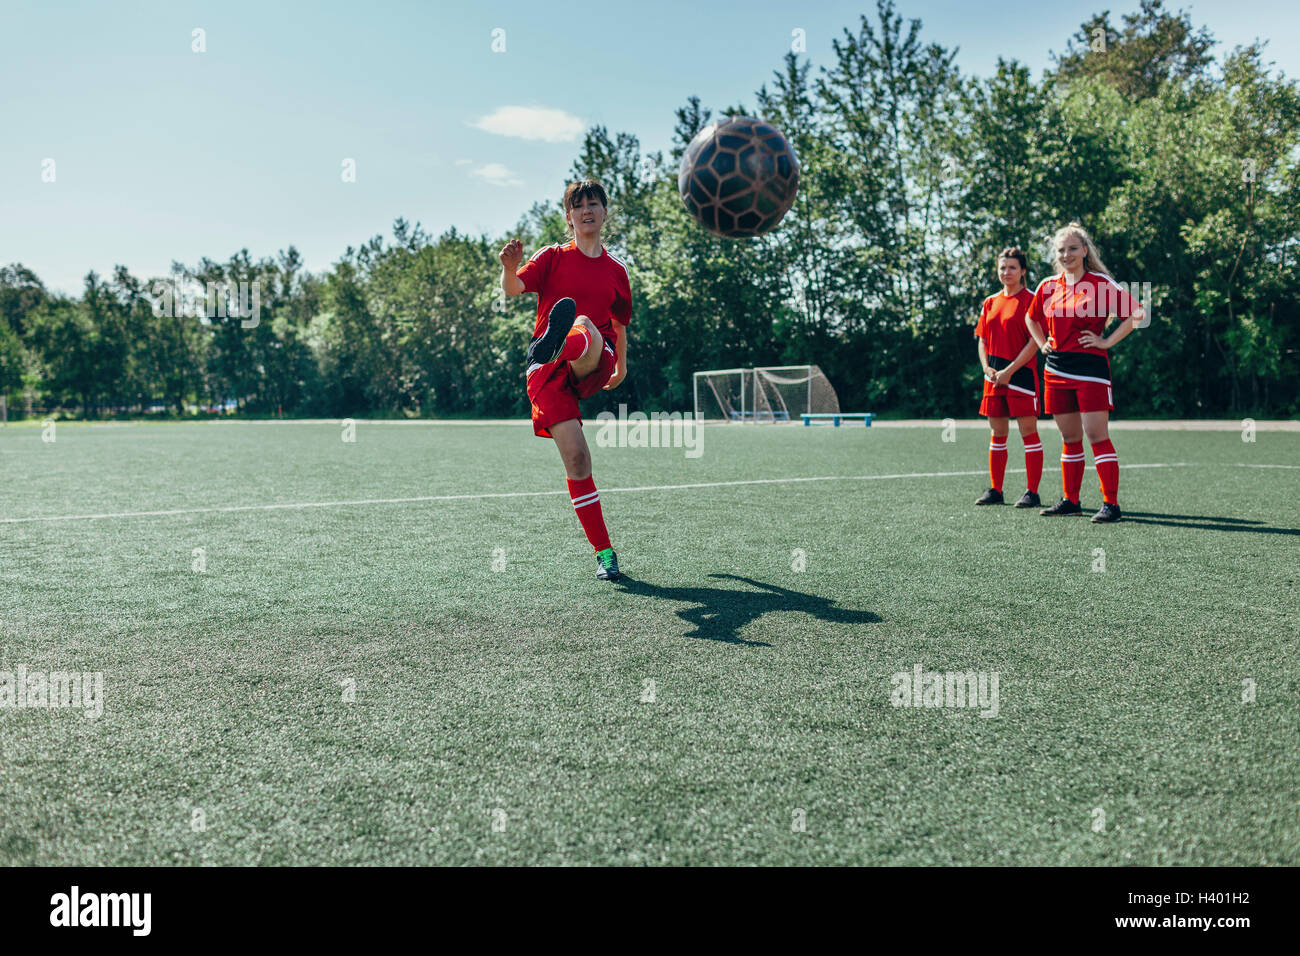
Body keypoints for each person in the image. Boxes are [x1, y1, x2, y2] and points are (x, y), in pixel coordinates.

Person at [498, 179, 630, 579]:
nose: (587, 210)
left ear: (606, 213)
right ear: (568, 217)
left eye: (594, 203)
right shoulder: (553, 257)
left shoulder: (616, 271)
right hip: (548, 371)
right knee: (577, 458)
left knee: (587, 324)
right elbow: (514, 288)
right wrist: (507, 268)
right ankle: (605, 553)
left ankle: (566, 343)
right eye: (578, 206)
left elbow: (620, 325)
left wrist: (622, 367)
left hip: (596, 357)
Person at [1026, 222, 1146, 522]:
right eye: (1061, 250)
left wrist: (1106, 341)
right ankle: (1071, 500)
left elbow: (1137, 314)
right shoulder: (1047, 286)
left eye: (1072, 249)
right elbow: (1031, 319)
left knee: (1096, 435)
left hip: (1090, 371)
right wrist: (1042, 344)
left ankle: (1111, 505)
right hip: (1055, 369)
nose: (1066, 255)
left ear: (1084, 250)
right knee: (1069, 438)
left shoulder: (1101, 283)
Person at [973, 247, 1043, 508]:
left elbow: (1035, 342)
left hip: (1021, 375)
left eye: (1012, 267)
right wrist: (986, 369)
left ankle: (1032, 493)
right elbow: (982, 340)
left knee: (1028, 432)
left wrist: (1010, 371)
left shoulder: (1031, 300)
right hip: (993, 377)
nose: (1006, 272)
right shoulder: (990, 302)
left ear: (1023, 271)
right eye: (1002, 267)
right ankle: (995, 490)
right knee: (997, 433)